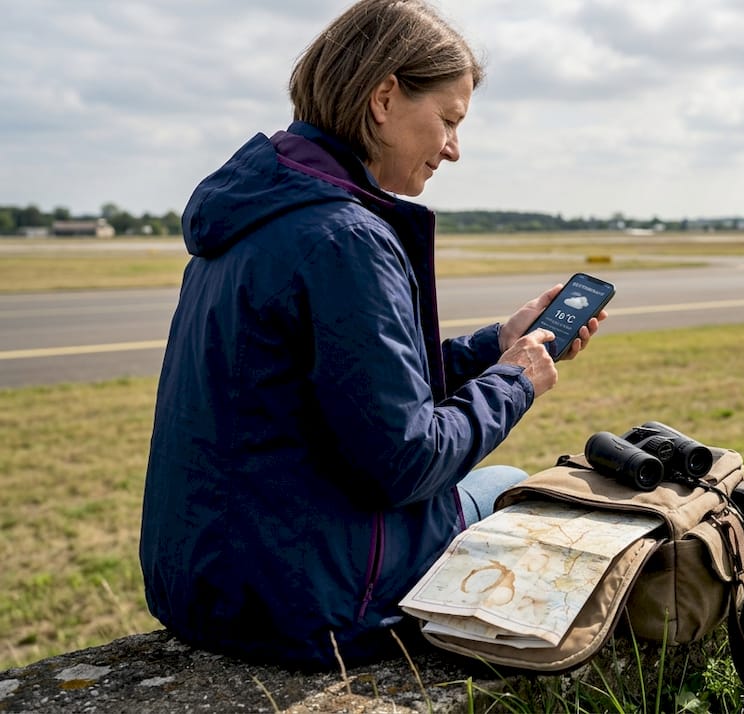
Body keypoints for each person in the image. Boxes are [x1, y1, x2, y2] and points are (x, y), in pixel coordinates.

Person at [139, 0, 604, 669]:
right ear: (384, 97)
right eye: (448, 119)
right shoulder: (345, 237)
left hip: (203, 589)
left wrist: (497, 343)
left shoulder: (254, 213)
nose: (453, 148)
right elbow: (408, 462)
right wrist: (517, 380)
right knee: (510, 482)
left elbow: (357, 389)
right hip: (304, 609)